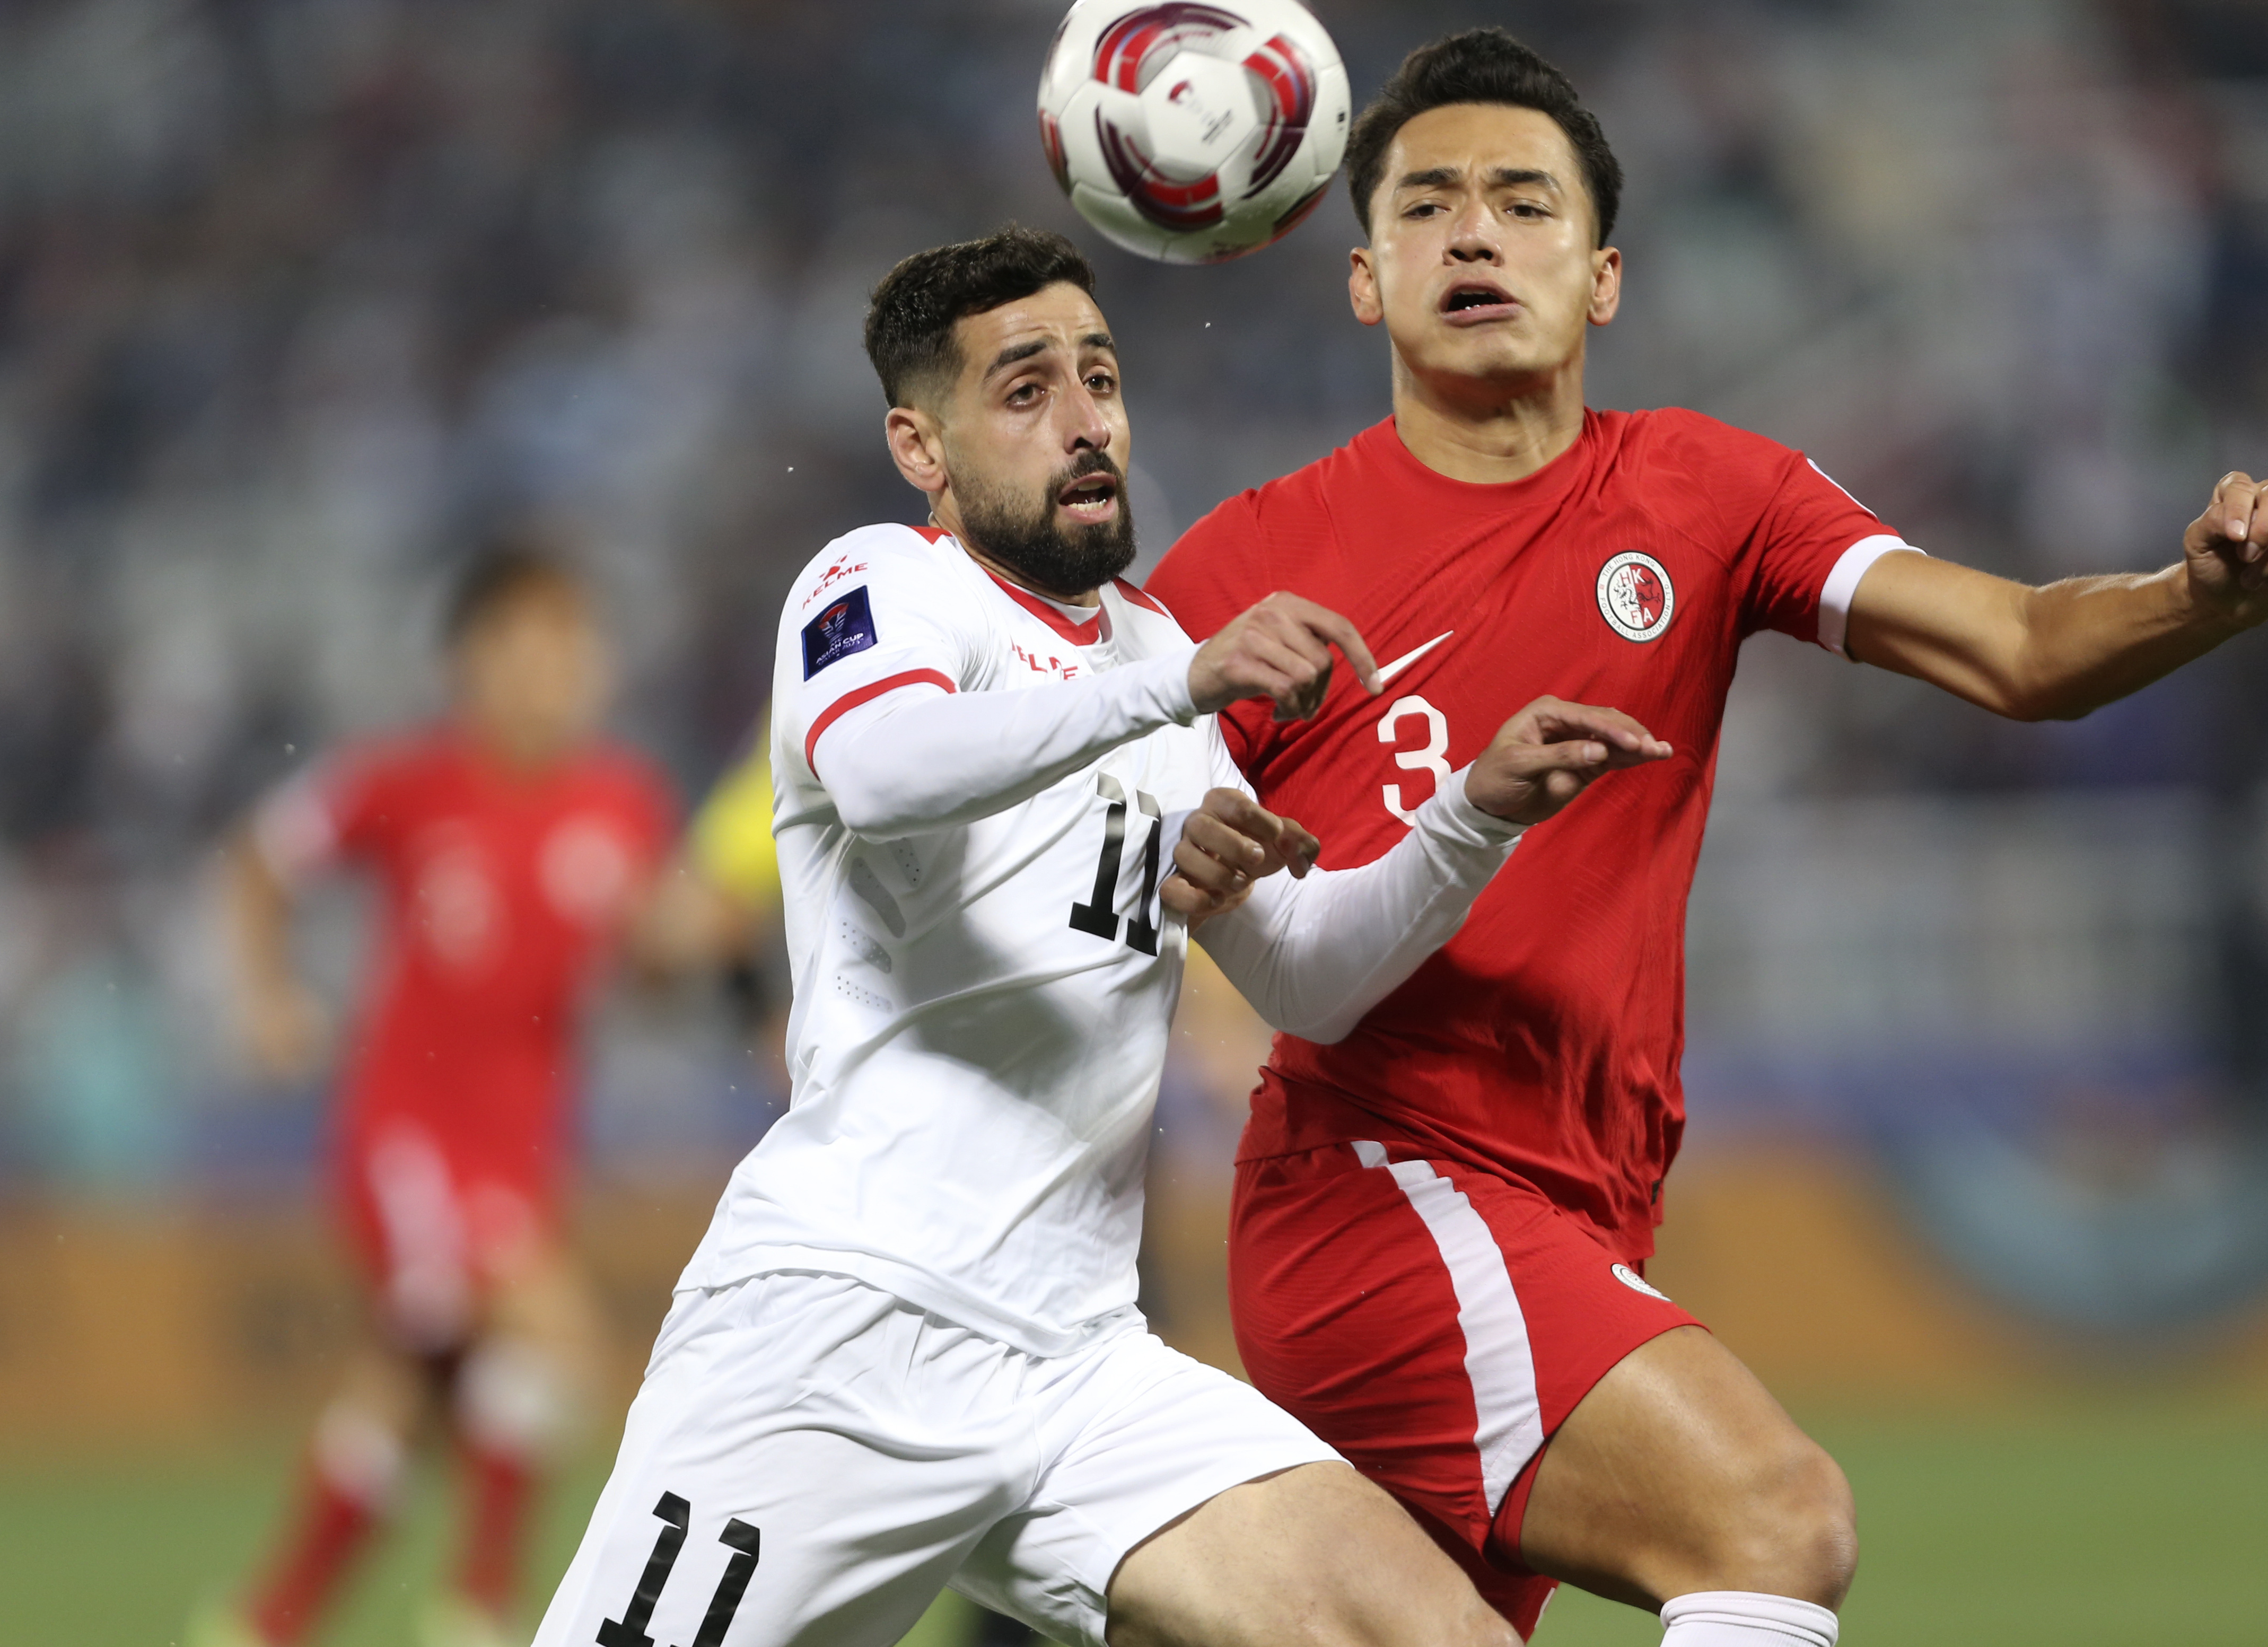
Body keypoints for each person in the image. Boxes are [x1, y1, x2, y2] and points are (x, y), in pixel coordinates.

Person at [1143, 29, 2268, 1647]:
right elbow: (1110, 851)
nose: (1474, 235)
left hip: (1579, 1196)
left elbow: (2021, 648)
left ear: (1605, 275)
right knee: (1768, 1523)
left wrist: (2194, 599)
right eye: (1425, 207)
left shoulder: (1707, 497)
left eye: (1520, 202)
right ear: (1363, 280)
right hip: (1386, 1195)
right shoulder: (1241, 570)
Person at [530, 226, 1670, 1647]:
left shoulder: (1148, 660)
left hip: (1075, 1363)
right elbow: (884, 772)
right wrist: (1178, 686)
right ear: (920, 446)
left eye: (1101, 378)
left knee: (1428, 1634)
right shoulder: (879, 588)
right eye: (1024, 391)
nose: (1085, 421)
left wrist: (1469, 815)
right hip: (838, 1337)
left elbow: (1305, 975)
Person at [197, 540, 680, 1647]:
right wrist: (267, 995)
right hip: (408, 1138)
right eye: (532, 641)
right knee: (553, 1337)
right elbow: (258, 860)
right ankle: (480, 1610)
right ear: (471, 659)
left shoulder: (623, 804)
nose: (560, 665)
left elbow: (652, 960)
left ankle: (262, 1623)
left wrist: (681, 945)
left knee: (417, 1386)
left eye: (575, 641)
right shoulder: (406, 783)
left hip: (523, 1156)